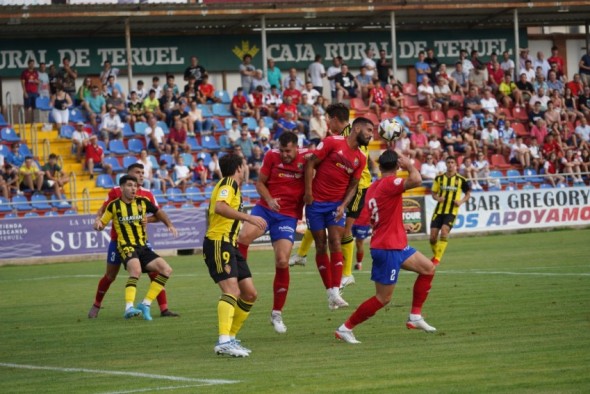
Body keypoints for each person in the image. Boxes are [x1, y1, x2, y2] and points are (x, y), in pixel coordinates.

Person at [334, 150, 437, 344]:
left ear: (379, 166)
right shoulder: (391, 183)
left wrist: (398, 224)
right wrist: (410, 165)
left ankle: (415, 316)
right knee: (383, 298)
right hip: (387, 248)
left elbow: (383, 211)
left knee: (428, 269)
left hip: (396, 245)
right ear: (397, 167)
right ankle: (345, 328)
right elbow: (416, 180)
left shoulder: (373, 187)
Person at [235, 132, 307, 334]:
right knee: (243, 237)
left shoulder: (307, 157)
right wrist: (270, 200)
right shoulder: (270, 156)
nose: (284, 155)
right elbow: (260, 184)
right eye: (282, 150)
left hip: (287, 216)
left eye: (288, 151)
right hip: (266, 209)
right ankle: (239, 282)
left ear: (296, 148)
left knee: (283, 261)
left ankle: (276, 313)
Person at [89, 163, 179, 319]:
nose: (142, 175)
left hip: (141, 242)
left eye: (143, 173)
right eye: (138, 172)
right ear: (128, 175)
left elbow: (158, 215)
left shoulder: (146, 196)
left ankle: (162, 308)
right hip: (118, 241)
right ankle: (96, 305)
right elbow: (103, 211)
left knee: (156, 272)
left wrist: (149, 220)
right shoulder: (115, 193)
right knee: (110, 276)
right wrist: (98, 220)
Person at [304, 117, 373, 310]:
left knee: (335, 241)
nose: (370, 135)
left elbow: (353, 186)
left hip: (335, 206)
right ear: (356, 128)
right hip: (316, 203)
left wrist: (344, 205)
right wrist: (308, 192)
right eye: (368, 130)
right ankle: (330, 291)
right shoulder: (332, 142)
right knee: (320, 245)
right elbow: (310, 163)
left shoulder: (361, 158)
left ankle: (335, 291)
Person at [202, 154, 267, 357]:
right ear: (239, 168)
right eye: (245, 165)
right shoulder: (229, 183)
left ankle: (230, 338)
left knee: (249, 293)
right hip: (218, 243)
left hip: (231, 245)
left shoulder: (234, 186)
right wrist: (248, 217)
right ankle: (223, 341)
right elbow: (220, 207)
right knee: (231, 291)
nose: (246, 169)